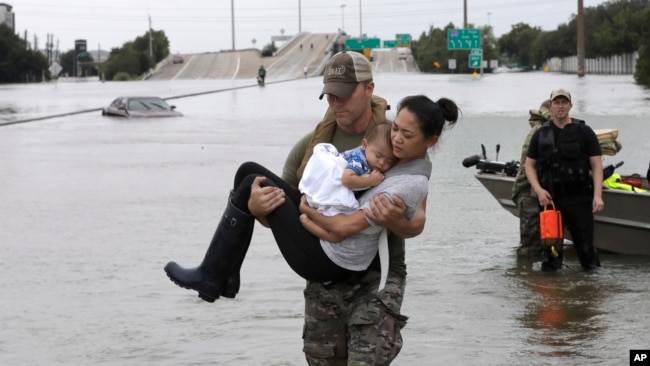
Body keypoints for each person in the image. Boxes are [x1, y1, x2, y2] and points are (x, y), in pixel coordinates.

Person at [524, 88, 604, 271]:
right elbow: (529, 166)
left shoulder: (585, 132)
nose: (561, 106)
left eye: (564, 102)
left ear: (570, 106)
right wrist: (538, 190)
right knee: (551, 253)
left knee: (587, 252)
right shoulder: (540, 134)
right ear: (550, 107)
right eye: (557, 103)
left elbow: (597, 165)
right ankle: (551, 294)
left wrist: (597, 196)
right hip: (551, 201)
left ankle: (590, 293)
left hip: (580, 198)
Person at [299, 123, 395, 217]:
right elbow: (347, 179)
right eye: (378, 156)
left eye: (389, 161)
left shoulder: (369, 159)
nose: (382, 163)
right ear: (365, 145)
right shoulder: (360, 160)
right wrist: (370, 181)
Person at [511, 99, 551, 258]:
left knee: (545, 242)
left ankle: (533, 278)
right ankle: (525, 277)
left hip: (538, 192)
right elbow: (530, 165)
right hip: (529, 193)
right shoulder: (539, 132)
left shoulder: (545, 130)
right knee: (530, 245)